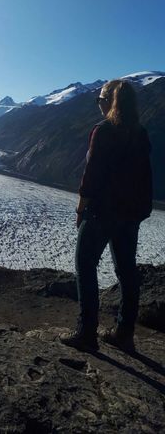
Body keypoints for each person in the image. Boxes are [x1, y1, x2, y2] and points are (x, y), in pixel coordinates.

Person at [60, 79, 152, 353]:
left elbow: (91, 176)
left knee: (85, 266)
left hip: (102, 212)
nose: (98, 105)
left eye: (101, 100)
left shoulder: (103, 131)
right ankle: (124, 333)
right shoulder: (140, 131)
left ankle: (86, 333)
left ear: (110, 102)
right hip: (130, 214)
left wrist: (81, 208)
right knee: (126, 271)